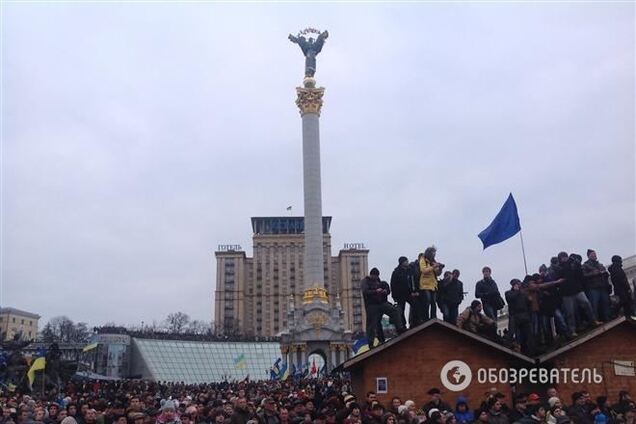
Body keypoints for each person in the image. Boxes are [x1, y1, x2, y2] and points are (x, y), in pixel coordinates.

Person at [361, 268, 406, 349]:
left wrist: (385, 291)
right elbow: (365, 291)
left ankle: (399, 328)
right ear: (371, 275)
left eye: (377, 276)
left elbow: (388, 290)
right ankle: (372, 343)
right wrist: (375, 291)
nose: (375, 278)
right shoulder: (365, 281)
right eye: (374, 276)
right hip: (372, 305)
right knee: (372, 323)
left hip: (382, 303)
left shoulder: (381, 282)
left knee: (394, 311)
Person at [556, 252, 596, 337]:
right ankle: (572, 330)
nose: (565, 259)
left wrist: (576, 264)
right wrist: (568, 264)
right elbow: (561, 276)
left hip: (577, 289)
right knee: (570, 312)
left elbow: (579, 274)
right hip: (567, 293)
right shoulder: (559, 268)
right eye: (563, 257)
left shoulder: (573, 264)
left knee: (587, 303)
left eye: (565, 257)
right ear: (560, 259)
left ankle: (593, 320)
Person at [505, 279, 533, 355]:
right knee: (516, 334)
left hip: (524, 316)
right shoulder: (508, 293)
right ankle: (514, 348)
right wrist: (516, 291)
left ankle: (528, 351)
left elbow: (528, 303)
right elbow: (511, 298)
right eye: (516, 284)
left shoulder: (523, 294)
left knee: (527, 334)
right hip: (515, 316)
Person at [582, 250, 611, 322]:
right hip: (593, 288)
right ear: (589, 256)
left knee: (605, 303)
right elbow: (583, 276)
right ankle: (595, 320)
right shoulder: (585, 265)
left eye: (595, 254)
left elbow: (606, 273)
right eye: (593, 254)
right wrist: (593, 273)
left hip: (602, 286)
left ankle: (607, 318)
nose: (595, 256)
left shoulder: (600, 265)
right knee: (594, 305)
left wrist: (604, 273)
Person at [390, 257, 418, 329]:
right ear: (402, 262)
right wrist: (394, 295)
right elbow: (393, 284)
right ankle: (403, 325)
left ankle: (414, 322)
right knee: (401, 310)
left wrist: (414, 291)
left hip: (409, 293)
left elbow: (413, 281)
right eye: (406, 261)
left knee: (415, 305)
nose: (407, 262)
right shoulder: (396, 272)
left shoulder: (410, 271)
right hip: (400, 294)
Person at [418, 247, 444, 321]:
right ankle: (425, 318)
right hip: (425, 285)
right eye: (433, 252)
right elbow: (423, 270)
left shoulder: (433, 261)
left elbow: (437, 273)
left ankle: (433, 318)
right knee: (427, 301)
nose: (434, 254)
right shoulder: (423, 259)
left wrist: (440, 269)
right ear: (429, 252)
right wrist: (433, 267)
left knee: (433, 302)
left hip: (433, 285)